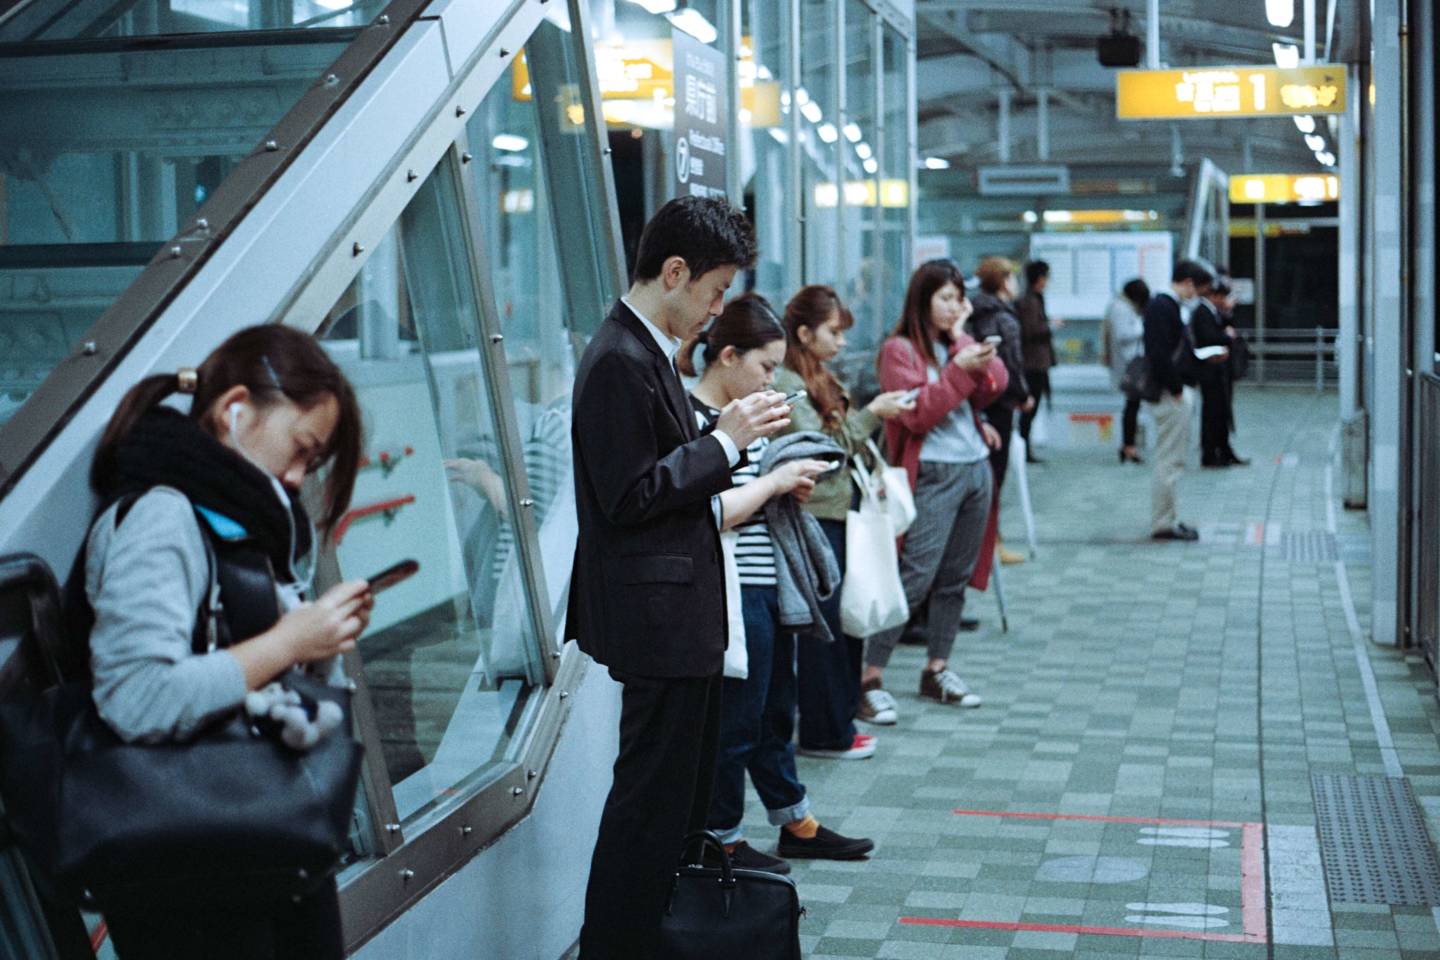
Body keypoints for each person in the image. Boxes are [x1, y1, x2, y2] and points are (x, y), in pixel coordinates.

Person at [84, 324, 369, 958]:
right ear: (235, 409)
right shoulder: (162, 517)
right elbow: (137, 695)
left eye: (311, 464)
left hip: (249, 848)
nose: (297, 478)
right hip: (194, 873)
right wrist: (291, 642)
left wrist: (313, 641)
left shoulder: (231, 519)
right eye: (300, 449)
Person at [567, 196, 790, 959]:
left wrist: (721, 440)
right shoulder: (618, 360)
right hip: (657, 624)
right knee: (646, 812)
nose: (717, 308)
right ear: (674, 273)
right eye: (715, 289)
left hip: (677, 620)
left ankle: (647, 941)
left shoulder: (641, 352)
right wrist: (723, 443)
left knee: (670, 811)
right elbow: (628, 495)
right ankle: (617, 947)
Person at [682, 293, 875, 874]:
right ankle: (724, 839)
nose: (772, 377)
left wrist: (787, 484)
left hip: (766, 584)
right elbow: (706, 511)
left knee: (773, 712)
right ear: (728, 355)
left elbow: (751, 498)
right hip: (732, 589)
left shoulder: (746, 414)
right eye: (766, 365)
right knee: (738, 720)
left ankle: (794, 819)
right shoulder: (696, 420)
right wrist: (775, 484)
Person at [862, 259, 1007, 720]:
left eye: (957, 298)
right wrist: (958, 371)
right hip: (934, 473)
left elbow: (996, 385)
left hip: (975, 470)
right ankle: (867, 676)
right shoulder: (899, 350)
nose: (953, 307)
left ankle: (937, 668)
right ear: (922, 300)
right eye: (945, 298)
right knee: (915, 577)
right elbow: (918, 413)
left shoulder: (955, 344)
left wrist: (963, 343)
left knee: (955, 579)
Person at [774, 285, 915, 736]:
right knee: (827, 627)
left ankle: (839, 719)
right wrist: (874, 411)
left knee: (846, 619)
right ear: (803, 332)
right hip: (817, 514)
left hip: (839, 509)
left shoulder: (816, 375)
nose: (842, 342)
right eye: (833, 331)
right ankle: (826, 728)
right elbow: (825, 448)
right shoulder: (789, 383)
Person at [1144, 258, 1214, 542]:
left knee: (1171, 458)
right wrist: (1175, 388)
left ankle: (1167, 519)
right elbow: (1159, 354)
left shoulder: (1164, 306)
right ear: (1187, 283)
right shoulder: (1163, 307)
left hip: (1172, 391)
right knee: (1170, 460)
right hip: (1170, 394)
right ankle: (1163, 522)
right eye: (1197, 290)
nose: (1196, 296)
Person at [967, 257, 1031, 565]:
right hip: (1001, 402)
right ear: (1005, 281)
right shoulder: (1003, 317)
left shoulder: (975, 312)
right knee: (995, 475)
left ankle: (988, 542)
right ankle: (992, 543)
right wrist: (1022, 393)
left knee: (986, 474)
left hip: (979, 401)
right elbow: (1012, 361)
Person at [1190, 278, 1243, 467]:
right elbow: (1208, 337)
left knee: (1221, 411)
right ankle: (1210, 453)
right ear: (1214, 295)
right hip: (1209, 370)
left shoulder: (1213, 312)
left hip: (1219, 370)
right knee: (1212, 412)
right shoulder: (1202, 312)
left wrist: (1227, 313)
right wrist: (1226, 337)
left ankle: (1223, 450)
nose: (1223, 301)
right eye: (1222, 297)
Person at [1015, 259, 1058, 463]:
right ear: (1039, 278)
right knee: (1029, 407)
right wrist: (1051, 326)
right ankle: (1024, 450)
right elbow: (1031, 330)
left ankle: (1026, 449)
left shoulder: (1034, 299)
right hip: (1032, 363)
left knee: (1032, 407)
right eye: (1046, 277)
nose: (1047, 281)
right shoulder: (1030, 301)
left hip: (1036, 362)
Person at [1103, 278, 1150, 464]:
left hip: (1129, 363)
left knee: (1133, 405)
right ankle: (1128, 446)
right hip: (1129, 365)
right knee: (1132, 405)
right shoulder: (1121, 308)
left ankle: (1128, 446)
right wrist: (1142, 329)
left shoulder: (1119, 305)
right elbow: (1123, 335)